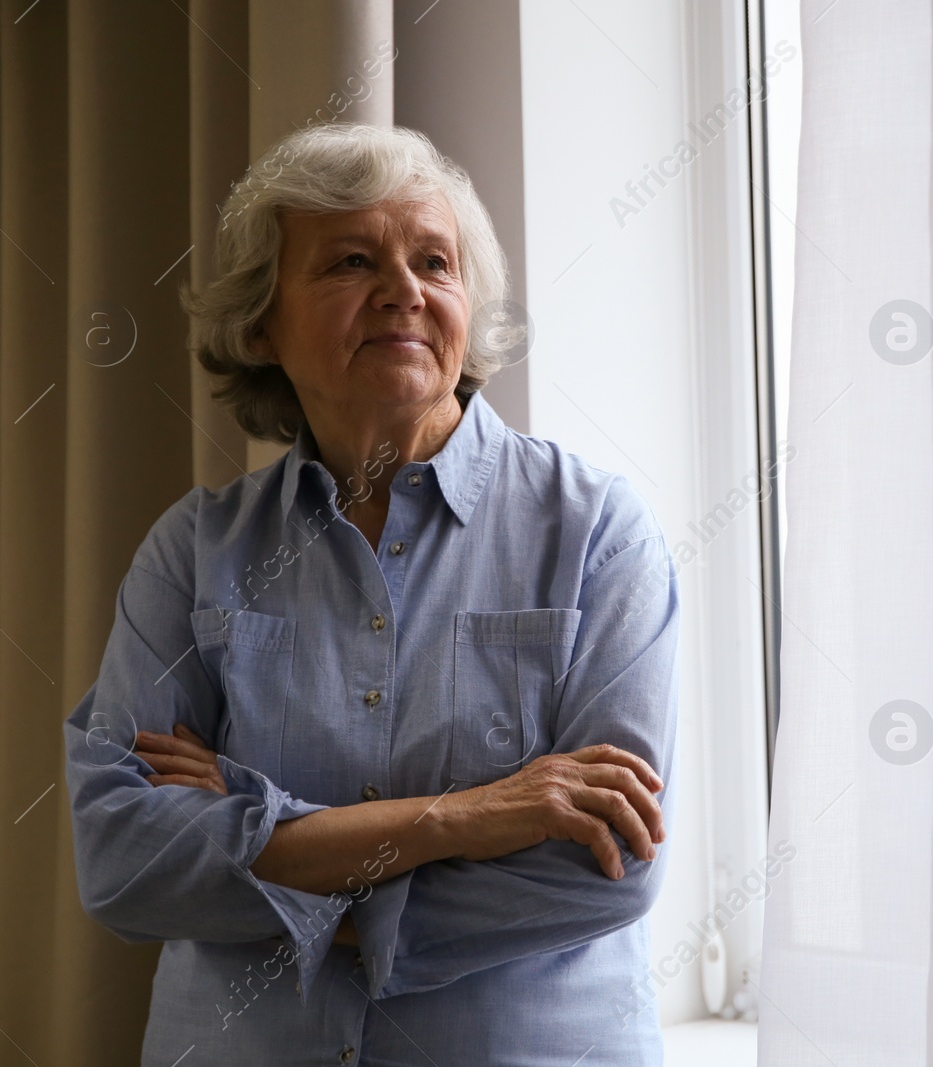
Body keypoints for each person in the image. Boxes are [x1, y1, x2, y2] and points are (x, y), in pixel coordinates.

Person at [61, 122, 679, 1065]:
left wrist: (255, 830)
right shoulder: (192, 548)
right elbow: (124, 860)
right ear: (261, 322)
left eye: (434, 260)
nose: (404, 291)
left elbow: (606, 868)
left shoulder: (597, 530)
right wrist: (467, 816)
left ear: (468, 302)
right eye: (352, 261)